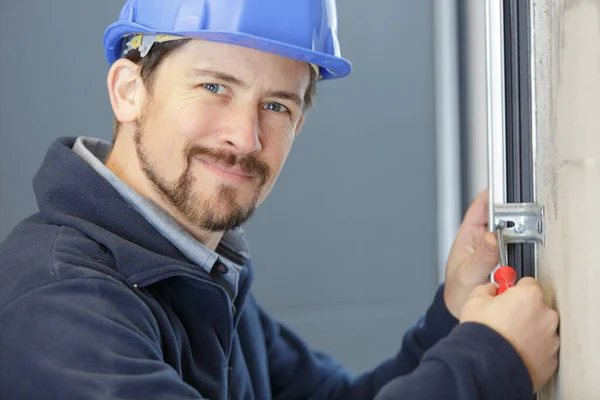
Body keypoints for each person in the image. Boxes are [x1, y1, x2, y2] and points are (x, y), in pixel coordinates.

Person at [0, 0, 559, 399]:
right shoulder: (58, 306)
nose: (245, 138)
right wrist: (491, 364)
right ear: (129, 90)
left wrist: (456, 316)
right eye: (214, 87)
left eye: (277, 107)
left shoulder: (196, 272)